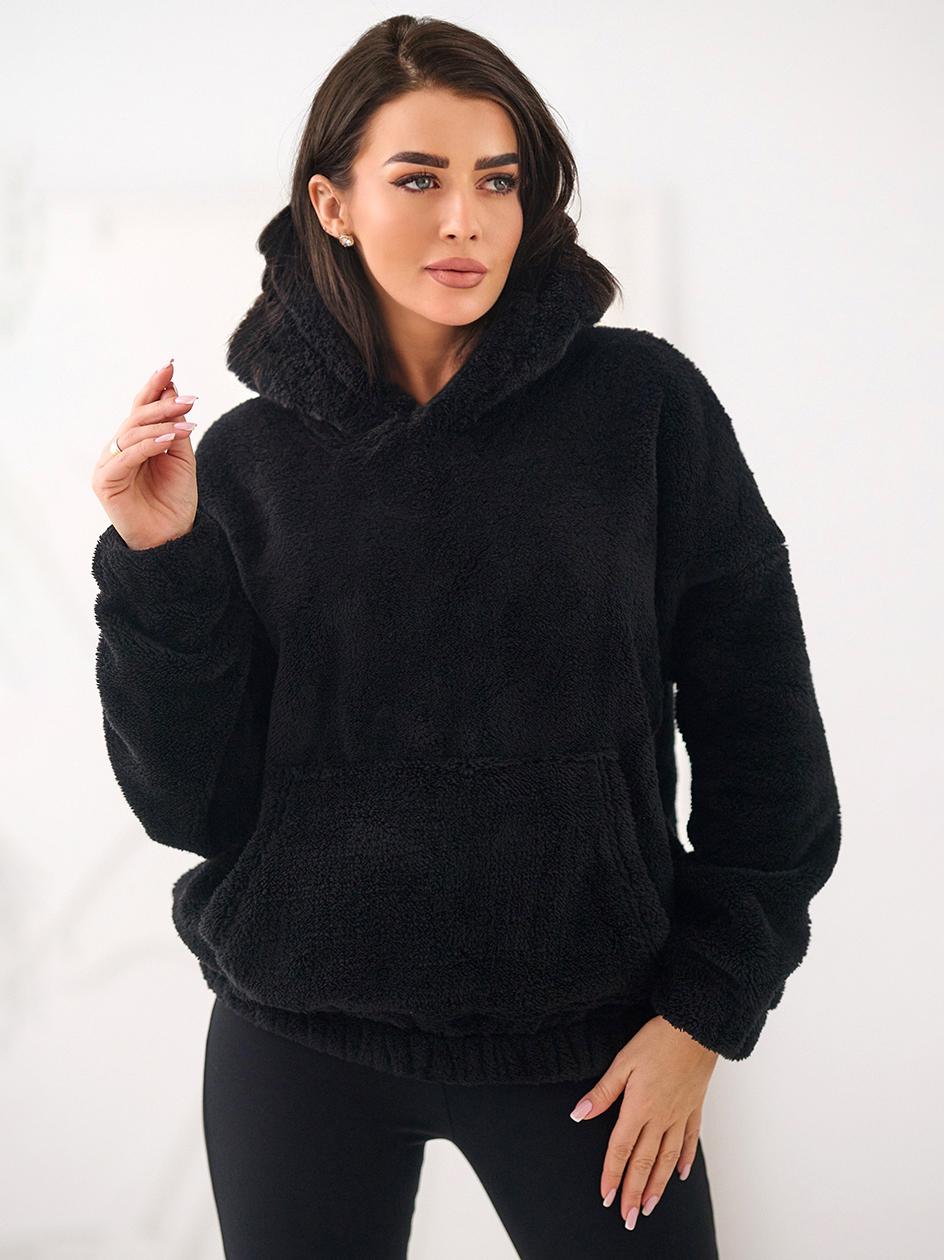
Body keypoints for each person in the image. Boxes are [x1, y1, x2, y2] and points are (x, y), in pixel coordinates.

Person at [89, 15, 841, 1258]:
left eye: (497, 181)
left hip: (592, 1049)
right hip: (296, 1043)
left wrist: (704, 1015)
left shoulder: (640, 410)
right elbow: (189, 805)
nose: (465, 221)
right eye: (418, 179)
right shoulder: (248, 461)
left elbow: (763, 739)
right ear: (331, 204)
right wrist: (159, 558)